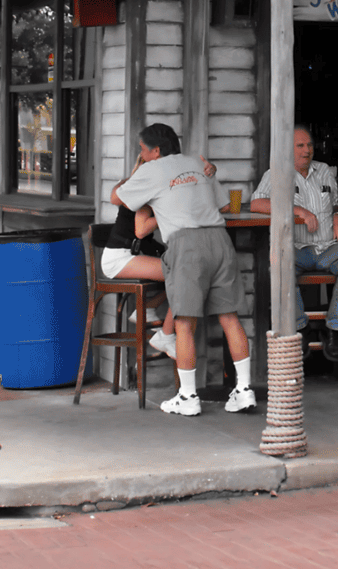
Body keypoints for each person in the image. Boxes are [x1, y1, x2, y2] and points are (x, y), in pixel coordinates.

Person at [113, 122, 255, 417]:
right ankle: (244, 390)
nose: (141, 153)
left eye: (142, 149)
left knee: (184, 324)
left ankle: (188, 396)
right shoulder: (198, 163)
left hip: (186, 245)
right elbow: (224, 205)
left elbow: (118, 198)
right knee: (230, 318)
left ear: (156, 150)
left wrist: (139, 171)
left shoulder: (152, 169)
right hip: (220, 240)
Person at [250, 125, 338, 364]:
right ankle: (302, 329)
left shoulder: (323, 170)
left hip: (326, 247)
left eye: (309, 145)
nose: (307, 150)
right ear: (288, 150)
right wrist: (298, 210)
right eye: (300, 146)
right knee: (278, 263)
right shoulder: (277, 173)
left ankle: (333, 330)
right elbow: (257, 204)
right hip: (297, 249)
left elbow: (333, 202)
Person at [89, 188, 178, 360]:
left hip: (135, 253)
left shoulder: (149, 189)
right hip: (119, 258)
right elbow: (141, 230)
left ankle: (148, 308)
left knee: (186, 270)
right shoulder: (141, 192)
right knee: (182, 274)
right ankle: (166, 334)